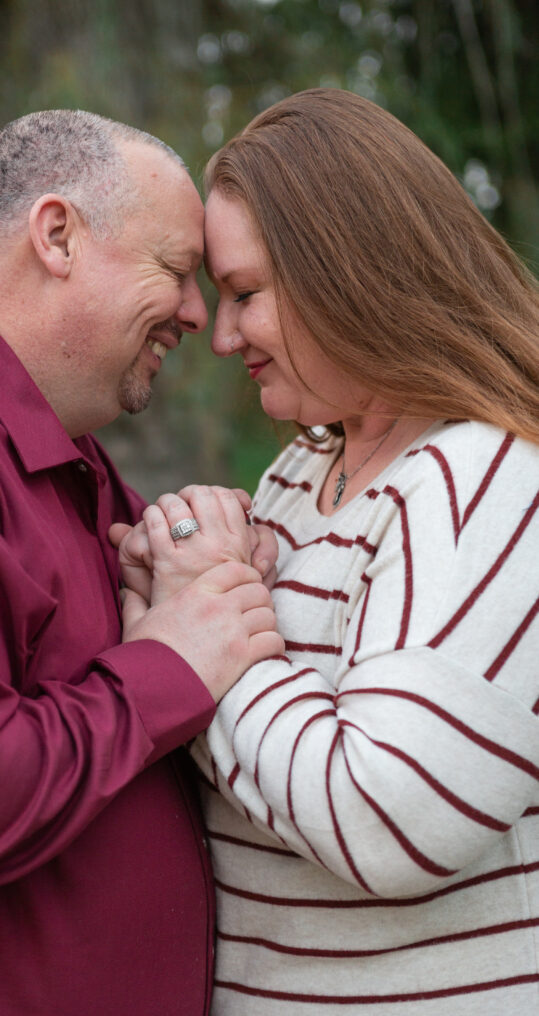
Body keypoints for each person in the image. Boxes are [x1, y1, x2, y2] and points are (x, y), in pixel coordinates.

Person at [117, 88, 539, 1014]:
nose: (223, 338)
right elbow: (252, 751)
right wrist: (180, 589)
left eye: (245, 295)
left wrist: (201, 631)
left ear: (346, 270)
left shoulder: (487, 478)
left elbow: (388, 821)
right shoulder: (306, 467)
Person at [0, 109, 284, 1016]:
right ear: (56, 235)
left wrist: (197, 539)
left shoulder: (48, 440)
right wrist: (169, 669)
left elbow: (170, 603)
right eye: (174, 271)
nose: (199, 315)